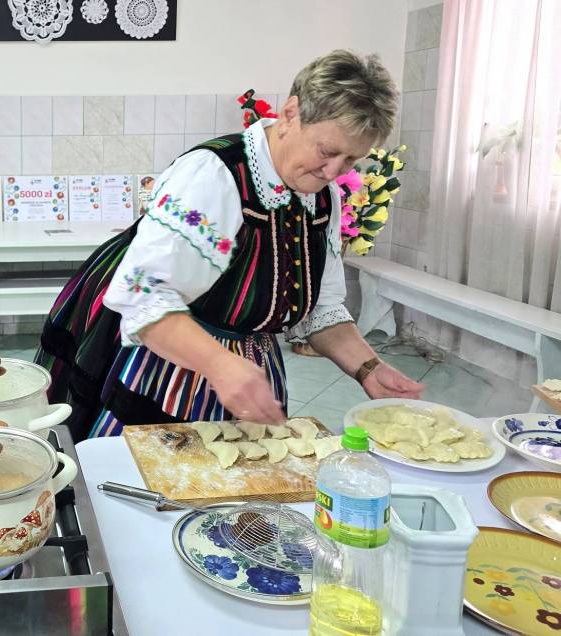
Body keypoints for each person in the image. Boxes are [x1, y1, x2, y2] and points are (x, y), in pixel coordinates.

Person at [35, 50, 425, 441]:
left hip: (248, 364)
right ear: (291, 114)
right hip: (167, 354)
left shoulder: (323, 200)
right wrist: (220, 365)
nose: (333, 171)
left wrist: (369, 369)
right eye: (327, 151)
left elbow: (321, 309)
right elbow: (144, 295)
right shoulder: (213, 176)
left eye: (351, 160)